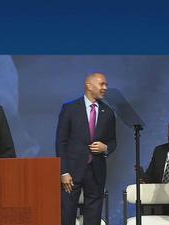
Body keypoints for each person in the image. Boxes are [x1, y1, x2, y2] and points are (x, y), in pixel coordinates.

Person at [56, 72, 116, 225]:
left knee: (93, 216)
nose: (105, 88)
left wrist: (106, 147)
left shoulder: (108, 112)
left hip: (96, 171)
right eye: (102, 84)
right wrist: (63, 171)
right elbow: (60, 142)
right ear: (89, 86)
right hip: (72, 172)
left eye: (106, 85)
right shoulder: (70, 108)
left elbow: (113, 141)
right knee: (67, 213)